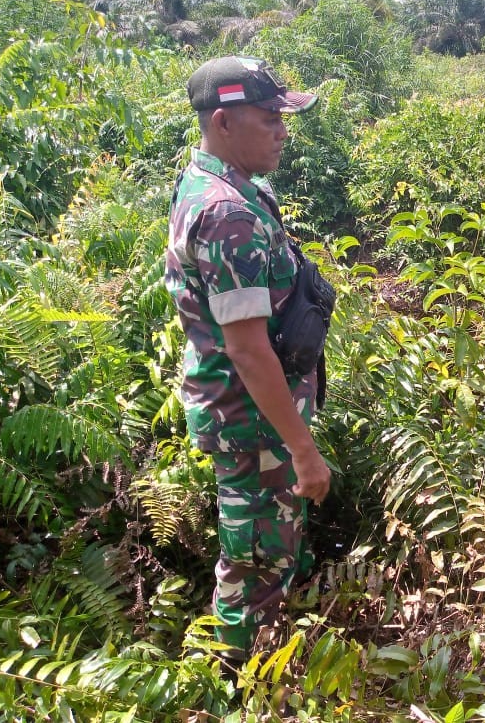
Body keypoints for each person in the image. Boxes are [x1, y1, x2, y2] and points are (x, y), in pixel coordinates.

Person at [164, 55, 331, 665]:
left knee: (272, 547)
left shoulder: (229, 187)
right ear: (222, 122)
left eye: (282, 116)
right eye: (268, 117)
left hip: (261, 420)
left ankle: (279, 652)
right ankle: (239, 685)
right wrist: (303, 451)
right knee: (255, 565)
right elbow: (246, 347)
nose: (282, 129)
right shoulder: (227, 213)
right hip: (253, 422)